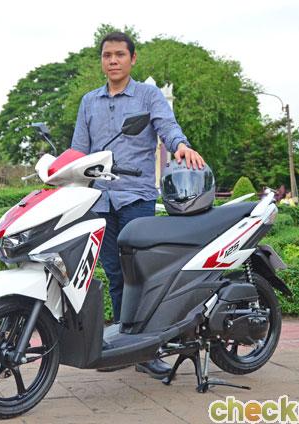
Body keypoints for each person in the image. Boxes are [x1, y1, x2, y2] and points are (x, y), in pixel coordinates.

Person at [71, 32, 204, 379]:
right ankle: (125, 346)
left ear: (132, 59)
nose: (113, 60)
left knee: (140, 275)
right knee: (115, 274)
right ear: (101, 61)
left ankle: (150, 351)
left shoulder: (148, 95)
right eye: (107, 55)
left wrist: (180, 146)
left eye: (119, 54)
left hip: (136, 197)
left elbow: (166, 126)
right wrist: (59, 172)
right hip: (99, 199)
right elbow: (79, 149)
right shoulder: (89, 101)